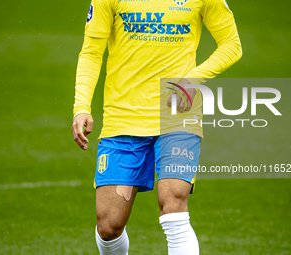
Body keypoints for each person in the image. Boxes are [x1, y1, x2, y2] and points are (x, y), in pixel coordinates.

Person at [72, 0, 242, 254]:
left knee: (173, 202)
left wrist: (190, 80)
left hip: (178, 112)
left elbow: (231, 44)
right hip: (124, 116)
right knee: (109, 225)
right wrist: (81, 106)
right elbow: (91, 53)